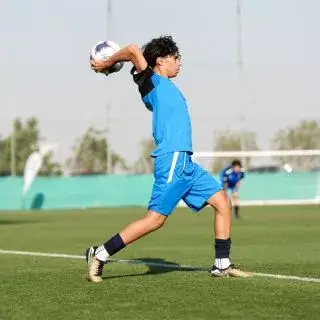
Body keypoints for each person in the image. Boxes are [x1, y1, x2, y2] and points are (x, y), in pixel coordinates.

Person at [87, 35, 251, 283]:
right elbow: (132, 50)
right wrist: (106, 62)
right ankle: (100, 254)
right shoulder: (152, 83)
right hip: (172, 159)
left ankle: (222, 264)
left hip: (187, 163)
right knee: (155, 220)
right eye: (176, 58)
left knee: (223, 202)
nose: (180, 63)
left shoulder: (165, 86)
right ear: (161, 60)